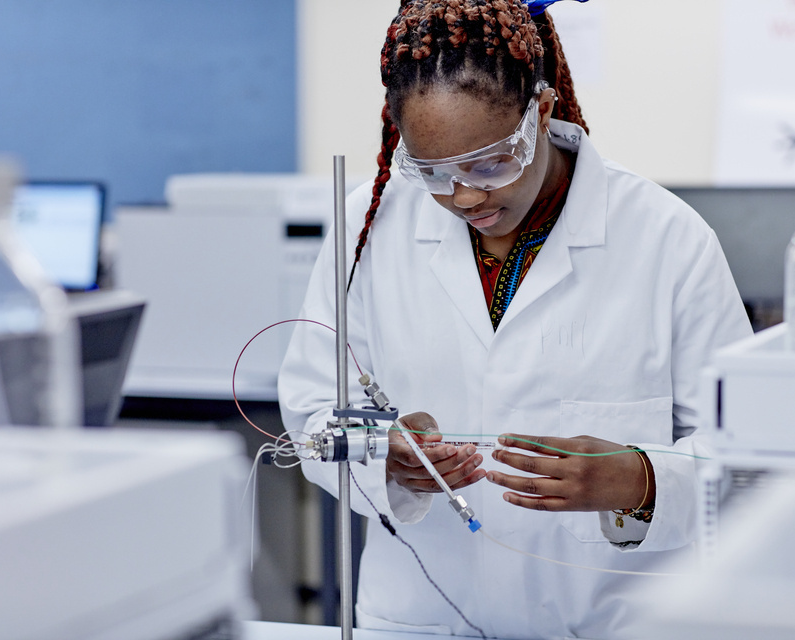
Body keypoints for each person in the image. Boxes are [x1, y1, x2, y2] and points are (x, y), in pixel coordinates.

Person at [278, 0, 752, 637]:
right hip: (421, 619)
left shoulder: (667, 238)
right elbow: (311, 410)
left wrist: (639, 479)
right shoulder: (372, 225)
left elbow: (750, 457)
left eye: (491, 162)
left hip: (610, 621)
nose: (466, 197)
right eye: (434, 172)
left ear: (543, 111)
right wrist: (383, 456)